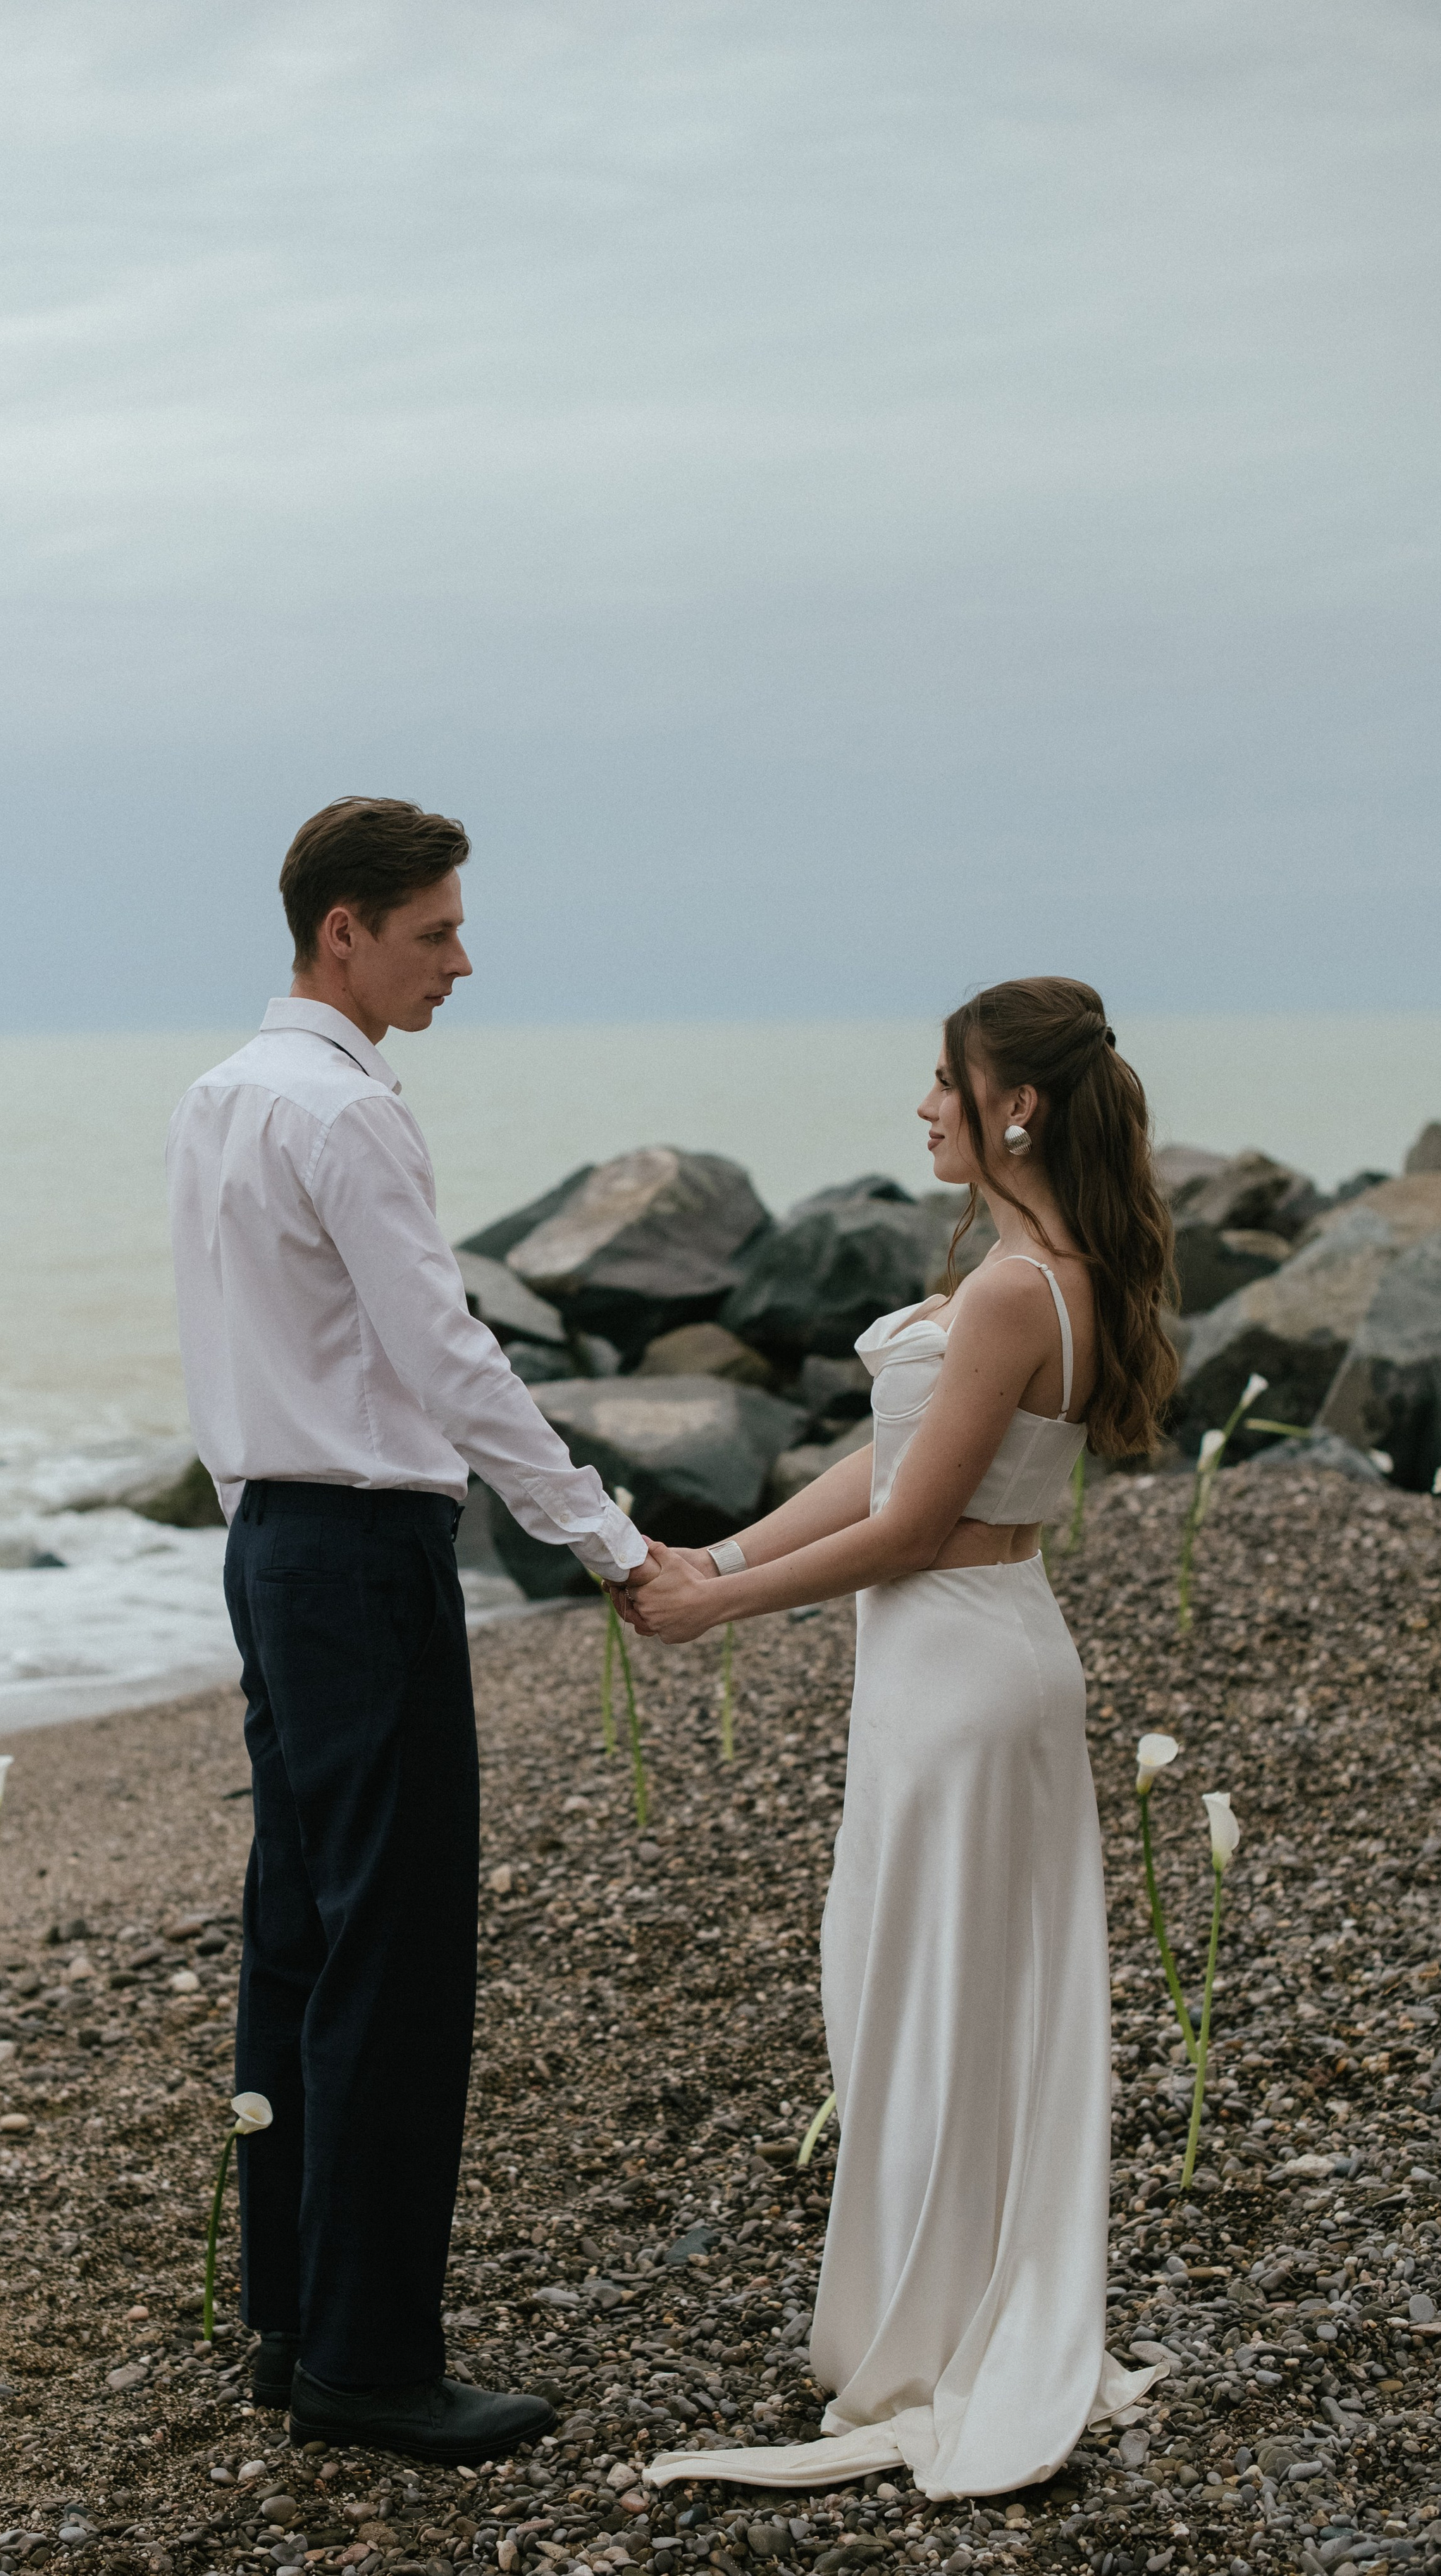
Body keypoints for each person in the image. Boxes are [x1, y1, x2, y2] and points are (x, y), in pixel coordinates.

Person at [626, 978, 1180, 2501]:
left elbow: (914, 1525)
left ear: (1015, 1105)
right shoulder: (1035, 1269)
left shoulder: (1014, 1287)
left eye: (944, 1081)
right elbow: (889, 1461)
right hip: (973, 1662)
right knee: (919, 1981)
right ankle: (941, 2296)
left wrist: (711, 1616)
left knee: (929, 1991)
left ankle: (949, 2329)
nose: (922, 1105)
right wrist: (718, 1560)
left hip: (962, 1664)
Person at [165, 796, 650, 2467]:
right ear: (341, 931)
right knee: (394, 1946)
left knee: (299, 1933)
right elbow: (445, 1357)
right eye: (433, 929)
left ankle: (293, 2323)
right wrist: (600, 1535)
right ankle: (368, 2359)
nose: (461, 957)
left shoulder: (222, 1093)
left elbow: (239, 1350)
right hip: (361, 1558)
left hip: (271, 1550)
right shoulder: (345, 1112)